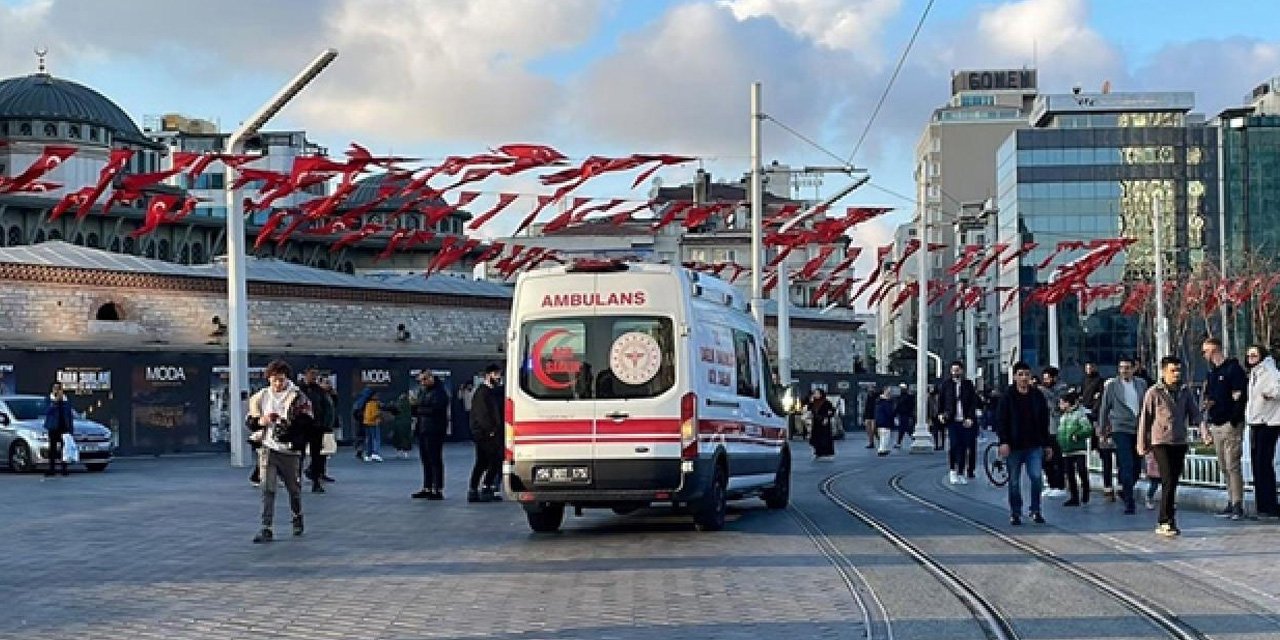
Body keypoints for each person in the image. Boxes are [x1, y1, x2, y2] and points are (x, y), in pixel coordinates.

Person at [247, 360, 314, 544]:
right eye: (274, 380)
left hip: (290, 452)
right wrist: (262, 421)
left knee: (294, 489)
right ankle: (266, 527)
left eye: (281, 380)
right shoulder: (262, 397)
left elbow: (308, 422)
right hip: (268, 448)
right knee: (268, 488)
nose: (278, 384)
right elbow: (251, 421)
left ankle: (297, 517)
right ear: (269, 379)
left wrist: (290, 431)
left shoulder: (297, 397)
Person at [1137, 356, 1200, 538]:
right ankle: (1165, 520)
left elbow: (1195, 413)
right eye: (1173, 370)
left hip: (1179, 441)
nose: (1176, 374)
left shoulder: (1184, 391)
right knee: (1168, 479)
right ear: (1164, 372)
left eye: (1179, 370)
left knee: (1173, 480)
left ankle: (1168, 518)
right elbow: (1145, 419)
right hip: (1160, 441)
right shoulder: (1154, 392)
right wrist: (1142, 443)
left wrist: (1204, 430)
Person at [996, 361, 1053, 526]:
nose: (1024, 378)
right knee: (1014, 481)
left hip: (1034, 445)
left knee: (1036, 477)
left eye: (1026, 375)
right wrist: (1003, 442)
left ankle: (1035, 510)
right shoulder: (1007, 397)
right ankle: (1015, 512)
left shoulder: (1037, 396)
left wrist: (1047, 444)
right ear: (1014, 377)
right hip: (1013, 446)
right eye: (1020, 375)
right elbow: (1001, 420)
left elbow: (1044, 421)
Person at [1200, 337, 1249, 520]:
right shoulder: (1212, 374)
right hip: (1216, 423)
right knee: (1223, 465)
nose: (1204, 355)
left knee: (1232, 464)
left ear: (1213, 350)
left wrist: (1234, 420)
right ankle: (1231, 500)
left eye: (1205, 351)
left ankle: (1237, 504)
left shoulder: (1233, 370)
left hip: (1230, 424)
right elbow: (1210, 397)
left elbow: (1240, 397)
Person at [1098, 356, 1148, 514]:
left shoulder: (1141, 383)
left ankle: (1125, 487)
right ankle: (1129, 500)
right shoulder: (1112, 386)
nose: (1124, 371)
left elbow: (1146, 406)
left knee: (1136, 466)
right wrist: (1102, 428)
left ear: (1134, 369)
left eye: (1127, 368)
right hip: (1120, 428)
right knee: (1125, 463)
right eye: (1121, 368)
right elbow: (1104, 407)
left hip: (1138, 428)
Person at [1244, 345, 1280, 518]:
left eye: (1254, 355)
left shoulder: (1269, 370)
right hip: (1256, 421)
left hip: (1269, 422)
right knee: (1257, 465)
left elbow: (1278, 387)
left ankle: (1270, 505)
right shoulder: (1254, 373)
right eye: (1249, 355)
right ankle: (1262, 506)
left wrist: (1270, 394)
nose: (1251, 358)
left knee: (1264, 464)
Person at [410, 371, 450, 500]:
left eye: (424, 380)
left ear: (431, 378)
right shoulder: (424, 392)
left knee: (435, 459)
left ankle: (437, 488)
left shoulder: (440, 392)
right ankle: (427, 487)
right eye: (420, 381)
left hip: (435, 430)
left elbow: (436, 409)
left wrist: (419, 409)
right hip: (423, 429)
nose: (422, 383)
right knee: (425, 459)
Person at [938, 361, 979, 484]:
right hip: (952, 420)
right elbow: (941, 400)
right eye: (953, 370)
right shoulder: (946, 385)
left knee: (963, 447)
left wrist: (970, 418)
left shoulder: (968, 384)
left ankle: (961, 472)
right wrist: (940, 414)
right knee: (954, 445)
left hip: (965, 420)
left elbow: (973, 402)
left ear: (962, 371)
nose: (955, 372)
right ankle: (952, 471)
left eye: (957, 370)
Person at [468, 364, 504, 502]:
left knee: (488, 462)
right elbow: (482, 414)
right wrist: (491, 430)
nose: (499, 377)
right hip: (485, 434)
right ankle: (478, 488)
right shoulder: (483, 392)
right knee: (487, 462)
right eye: (496, 374)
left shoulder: (489, 392)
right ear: (489, 375)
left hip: (486, 433)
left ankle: (481, 488)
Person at [1079, 361, 1113, 500]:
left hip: (1110, 428)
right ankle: (1108, 486)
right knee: (1105, 457)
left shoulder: (1100, 383)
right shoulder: (1084, 381)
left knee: (1109, 459)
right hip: (1098, 426)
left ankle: (1112, 486)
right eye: (1087, 367)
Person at [298, 366, 334, 493]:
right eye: (311, 373)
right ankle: (296, 480)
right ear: (305, 374)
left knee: (317, 456)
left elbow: (327, 408)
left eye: (316, 374)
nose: (314, 377)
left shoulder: (320, 391)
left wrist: (326, 425)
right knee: (299, 455)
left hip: (316, 428)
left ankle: (316, 481)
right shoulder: (297, 390)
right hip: (301, 428)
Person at [1056, 391, 1092, 506]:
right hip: (1066, 450)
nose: (1060, 405)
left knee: (1082, 471)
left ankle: (1085, 491)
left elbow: (1088, 429)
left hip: (1078, 448)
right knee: (1070, 474)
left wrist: (1078, 435)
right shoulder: (1063, 417)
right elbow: (1060, 432)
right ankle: (1074, 497)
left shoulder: (1079, 414)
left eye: (1062, 403)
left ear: (1068, 403)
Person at [1039, 366, 1070, 498]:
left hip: (1057, 427)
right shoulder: (1042, 390)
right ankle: (1051, 484)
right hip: (1045, 428)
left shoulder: (1062, 389)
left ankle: (1060, 485)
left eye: (1048, 378)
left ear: (1055, 378)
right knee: (1046, 459)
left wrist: (1044, 392)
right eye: (1044, 378)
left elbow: (1057, 406)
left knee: (1058, 458)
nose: (1045, 381)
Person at [43, 382, 75, 477]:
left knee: (64, 449)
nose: (57, 390)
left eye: (59, 388)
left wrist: (71, 428)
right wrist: (55, 402)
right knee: (52, 449)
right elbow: (47, 411)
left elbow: (69, 415)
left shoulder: (66, 400)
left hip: (64, 427)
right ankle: (51, 469)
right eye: (55, 388)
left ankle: (64, 469)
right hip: (53, 427)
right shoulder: (49, 399)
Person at [808, 389, 837, 460]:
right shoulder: (813, 402)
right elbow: (809, 409)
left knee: (825, 438)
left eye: (817, 393)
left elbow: (832, 410)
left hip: (824, 422)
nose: (815, 395)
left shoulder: (826, 402)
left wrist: (827, 417)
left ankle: (827, 453)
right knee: (816, 437)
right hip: (816, 422)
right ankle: (818, 452)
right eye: (814, 393)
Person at [360, 390, 388, 463]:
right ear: (372, 396)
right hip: (373, 423)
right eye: (376, 395)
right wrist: (379, 413)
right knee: (376, 439)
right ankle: (375, 453)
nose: (378, 397)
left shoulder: (368, 404)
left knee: (369, 439)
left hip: (367, 423)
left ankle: (368, 455)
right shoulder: (373, 404)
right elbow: (371, 415)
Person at [874, 386, 896, 456]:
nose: (890, 393)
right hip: (884, 419)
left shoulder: (879, 400)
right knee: (885, 434)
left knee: (885, 435)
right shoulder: (885, 401)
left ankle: (883, 448)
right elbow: (889, 411)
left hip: (881, 420)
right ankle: (882, 449)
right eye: (888, 391)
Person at [894, 383, 915, 448]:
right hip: (904, 414)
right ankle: (913, 438)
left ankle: (899, 442)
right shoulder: (906, 397)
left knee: (904, 429)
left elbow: (899, 406)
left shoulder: (904, 397)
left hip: (905, 415)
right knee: (905, 429)